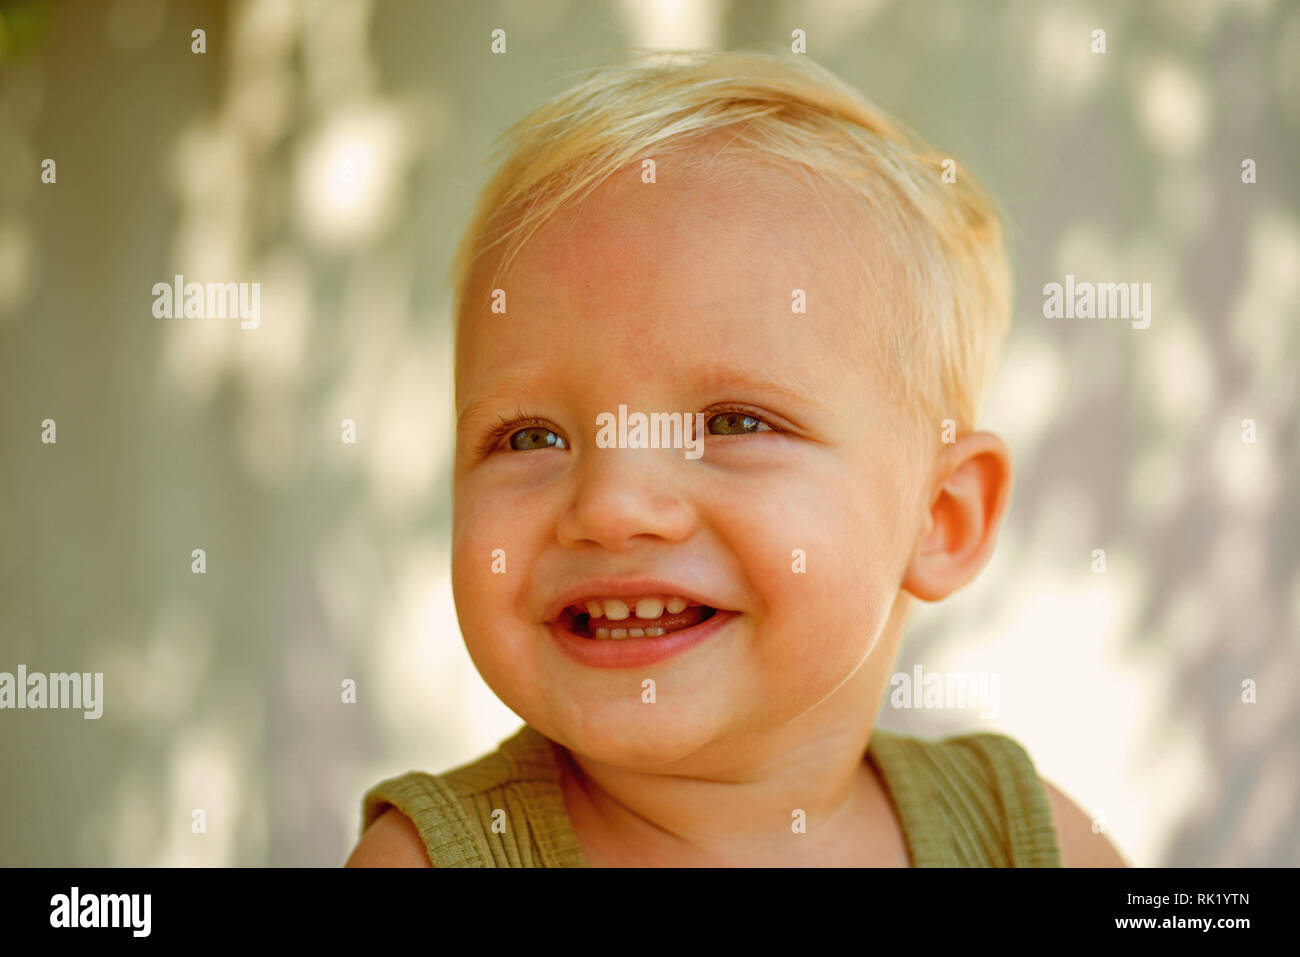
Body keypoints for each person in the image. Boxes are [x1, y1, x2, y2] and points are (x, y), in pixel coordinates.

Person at [346, 48, 1127, 867]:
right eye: (531, 436)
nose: (610, 504)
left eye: (732, 423)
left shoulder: (1029, 839)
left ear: (942, 517)